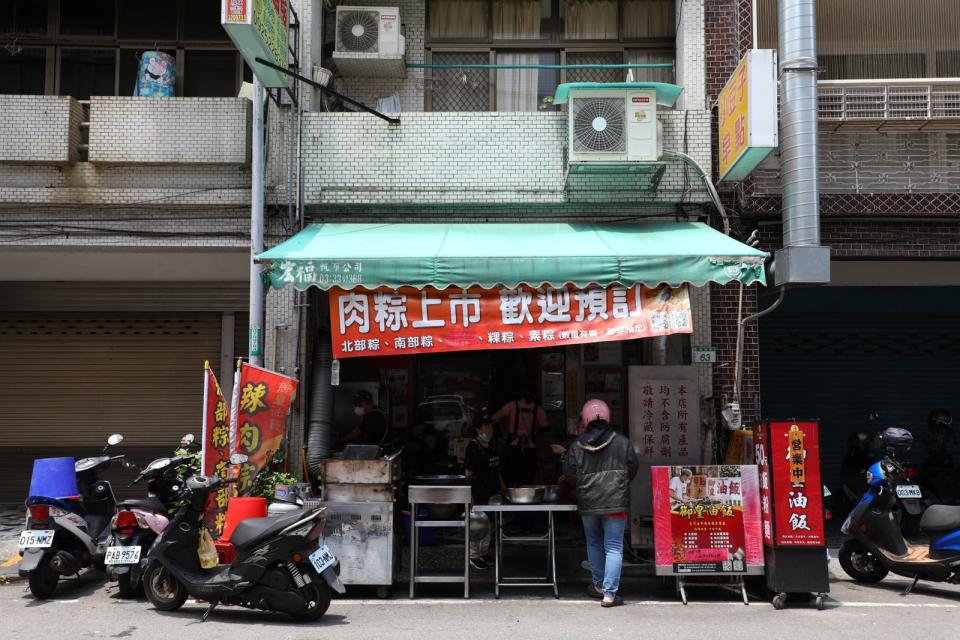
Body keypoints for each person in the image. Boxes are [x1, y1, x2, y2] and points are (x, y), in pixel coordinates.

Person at [564, 399, 638, 608]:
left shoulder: (576, 446)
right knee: (613, 546)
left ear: (585, 419)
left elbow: (569, 474)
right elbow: (633, 467)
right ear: (607, 417)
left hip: (588, 503)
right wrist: (620, 485)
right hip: (616, 502)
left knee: (594, 543)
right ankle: (610, 594)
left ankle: (598, 586)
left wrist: (583, 487)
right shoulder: (622, 442)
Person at [463, 417, 502, 570]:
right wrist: (469, 494)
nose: (490, 431)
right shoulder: (472, 447)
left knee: (489, 524)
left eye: (491, 427)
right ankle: (473, 556)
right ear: (478, 430)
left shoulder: (493, 445)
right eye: (486, 428)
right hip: (478, 492)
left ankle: (484, 553)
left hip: (493, 492)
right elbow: (468, 472)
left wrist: (503, 488)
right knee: (477, 525)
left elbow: (497, 470)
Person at [491, 388, 548, 486]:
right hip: (530, 448)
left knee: (509, 478)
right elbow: (546, 429)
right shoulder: (539, 410)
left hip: (513, 446)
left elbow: (494, 417)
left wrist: (503, 428)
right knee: (528, 480)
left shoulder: (512, 405)